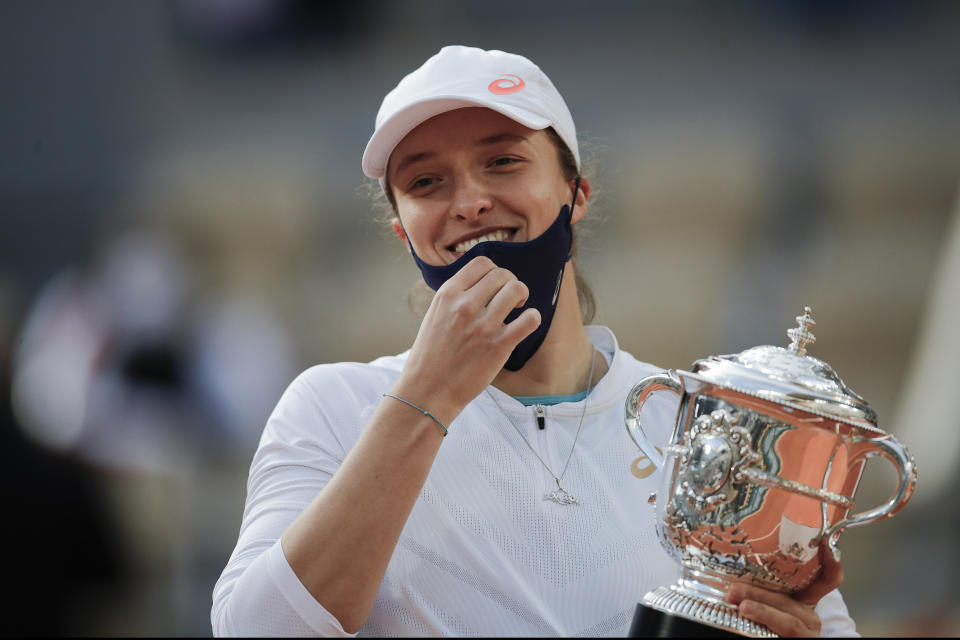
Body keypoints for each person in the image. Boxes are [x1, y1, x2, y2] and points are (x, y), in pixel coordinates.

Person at [211, 45, 857, 637]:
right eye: (425, 181)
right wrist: (427, 393)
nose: (468, 202)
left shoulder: (699, 426)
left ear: (576, 195)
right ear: (403, 233)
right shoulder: (330, 408)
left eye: (502, 161)